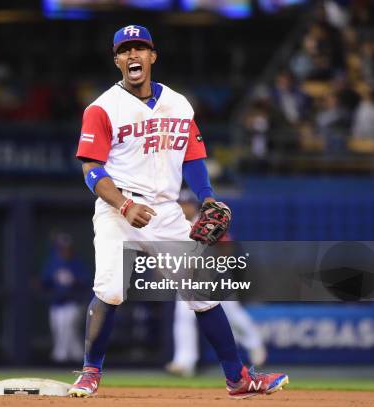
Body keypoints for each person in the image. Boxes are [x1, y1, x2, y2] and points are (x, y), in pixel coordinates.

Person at [68, 25, 288, 399]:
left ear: (153, 56)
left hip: (166, 211)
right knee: (110, 289)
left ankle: (238, 378)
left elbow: (193, 156)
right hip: (118, 209)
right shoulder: (102, 108)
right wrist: (123, 203)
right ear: (117, 60)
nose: (133, 55)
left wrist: (206, 197)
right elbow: (92, 171)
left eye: (140, 48)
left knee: (203, 293)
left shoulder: (179, 103)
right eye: (125, 50)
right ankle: (90, 373)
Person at [166, 192, 267, 377]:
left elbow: (227, 246)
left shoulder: (207, 220)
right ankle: (184, 362)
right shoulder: (173, 225)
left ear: (194, 206)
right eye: (180, 203)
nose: (182, 207)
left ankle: (254, 343)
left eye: (186, 204)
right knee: (183, 317)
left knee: (233, 314)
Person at [41, 232, 89, 363]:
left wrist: (74, 280)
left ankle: (59, 357)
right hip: (56, 303)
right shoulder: (54, 263)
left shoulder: (77, 264)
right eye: (62, 248)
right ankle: (78, 356)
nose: (65, 251)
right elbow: (44, 281)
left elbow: (86, 282)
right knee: (59, 330)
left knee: (66, 329)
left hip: (73, 303)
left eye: (67, 248)